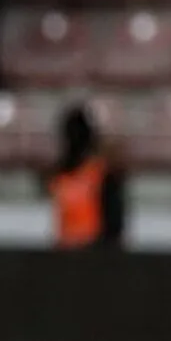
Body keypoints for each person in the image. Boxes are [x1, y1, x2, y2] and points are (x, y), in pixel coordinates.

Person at [47, 103, 126, 250]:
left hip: (94, 254)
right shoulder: (60, 177)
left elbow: (115, 225)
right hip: (65, 251)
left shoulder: (102, 174)